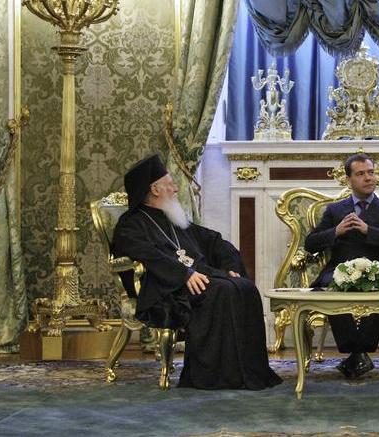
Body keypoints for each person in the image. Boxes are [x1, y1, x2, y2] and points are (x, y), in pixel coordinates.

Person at [112, 154, 282, 390]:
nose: (175, 188)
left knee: (244, 287)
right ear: (154, 189)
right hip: (167, 289)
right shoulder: (130, 225)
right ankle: (215, 376)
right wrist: (184, 274)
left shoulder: (172, 217)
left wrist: (230, 267)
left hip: (197, 278)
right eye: (170, 183)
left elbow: (214, 241)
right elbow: (150, 256)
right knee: (221, 291)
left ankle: (248, 372)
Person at [304, 153, 379, 378]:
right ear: (349, 179)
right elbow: (310, 244)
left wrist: (368, 230)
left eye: (371, 172)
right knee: (331, 289)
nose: (368, 178)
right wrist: (336, 231)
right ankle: (358, 353)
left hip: (376, 270)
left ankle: (356, 354)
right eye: (361, 174)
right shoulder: (335, 210)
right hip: (338, 270)